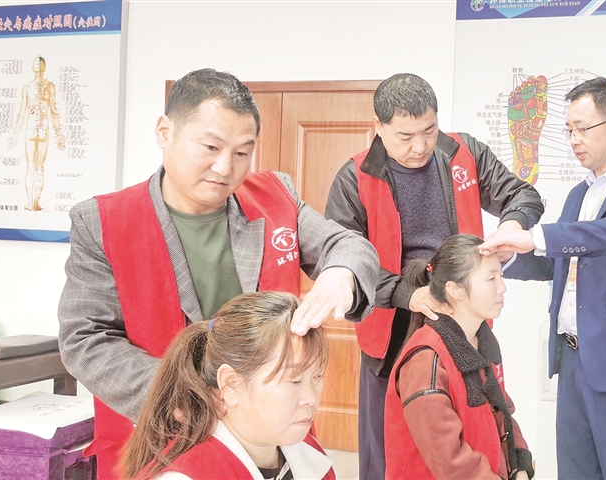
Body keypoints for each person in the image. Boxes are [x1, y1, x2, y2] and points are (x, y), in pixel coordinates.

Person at [57, 68, 379, 480]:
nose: (225, 168)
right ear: (165, 131)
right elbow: (85, 338)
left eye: (242, 153)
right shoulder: (102, 221)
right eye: (210, 147)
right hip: (161, 438)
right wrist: (187, 393)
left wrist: (340, 274)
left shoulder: (275, 198)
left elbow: (348, 245)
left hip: (269, 439)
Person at [324, 73, 544, 479]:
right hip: (391, 330)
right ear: (378, 126)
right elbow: (342, 259)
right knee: (388, 453)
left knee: (470, 436)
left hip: (461, 321)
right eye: (405, 136)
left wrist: (511, 225)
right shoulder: (355, 177)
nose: (420, 146)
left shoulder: (464, 153)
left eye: (429, 130)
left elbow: (523, 195)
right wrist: (407, 295)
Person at [480, 77, 606, 479]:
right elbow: (559, 262)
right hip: (573, 359)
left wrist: (537, 236)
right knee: (574, 472)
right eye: (569, 130)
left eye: (582, 129)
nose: (574, 140)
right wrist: (510, 255)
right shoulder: (579, 194)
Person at [121, 291, 335, 480]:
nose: (311, 398)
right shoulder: (187, 475)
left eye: (317, 377)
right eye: (294, 380)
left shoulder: (307, 449)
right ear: (231, 384)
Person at [385, 234, 534, 480]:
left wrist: (520, 467)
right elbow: (450, 461)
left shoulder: (483, 342)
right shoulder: (426, 360)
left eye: (501, 276)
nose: (502, 287)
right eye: (491, 278)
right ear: (454, 290)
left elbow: (503, 414)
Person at [8, 56, 66, 211]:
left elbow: (25, 112)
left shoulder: (34, 87)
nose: (38, 66)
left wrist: (59, 134)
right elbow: (51, 111)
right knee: (37, 167)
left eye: (38, 64)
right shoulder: (41, 87)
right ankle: (34, 202)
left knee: (33, 167)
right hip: (40, 128)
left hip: (36, 128)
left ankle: (32, 203)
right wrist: (59, 134)